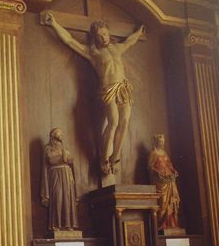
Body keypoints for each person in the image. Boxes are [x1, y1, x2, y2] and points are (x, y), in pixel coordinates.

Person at [44, 11, 145, 175]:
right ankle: (104, 159)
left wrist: (139, 32)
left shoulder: (117, 48)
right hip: (108, 89)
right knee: (113, 122)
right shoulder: (93, 53)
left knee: (125, 121)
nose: (103, 37)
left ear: (108, 33)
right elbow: (69, 40)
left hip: (123, 88)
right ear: (95, 38)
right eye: (99, 36)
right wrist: (54, 24)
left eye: (105, 34)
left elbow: (131, 41)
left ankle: (115, 157)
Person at [41, 128, 78, 232]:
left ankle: (68, 225)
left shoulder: (64, 148)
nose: (60, 134)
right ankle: (55, 224)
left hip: (66, 175)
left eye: (61, 133)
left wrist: (64, 157)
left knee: (68, 198)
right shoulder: (48, 148)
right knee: (58, 197)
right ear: (53, 135)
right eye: (58, 133)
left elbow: (71, 159)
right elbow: (51, 159)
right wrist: (63, 157)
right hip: (56, 174)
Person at [148, 133, 181, 230]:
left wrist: (173, 171)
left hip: (169, 181)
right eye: (160, 142)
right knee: (162, 204)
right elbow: (150, 167)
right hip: (160, 182)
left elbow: (169, 165)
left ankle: (171, 224)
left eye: (163, 142)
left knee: (171, 202)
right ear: (156, 142)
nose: (162, 144)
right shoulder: (153, 153)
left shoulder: (164, 153)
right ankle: (161, 224)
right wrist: (158, 173)